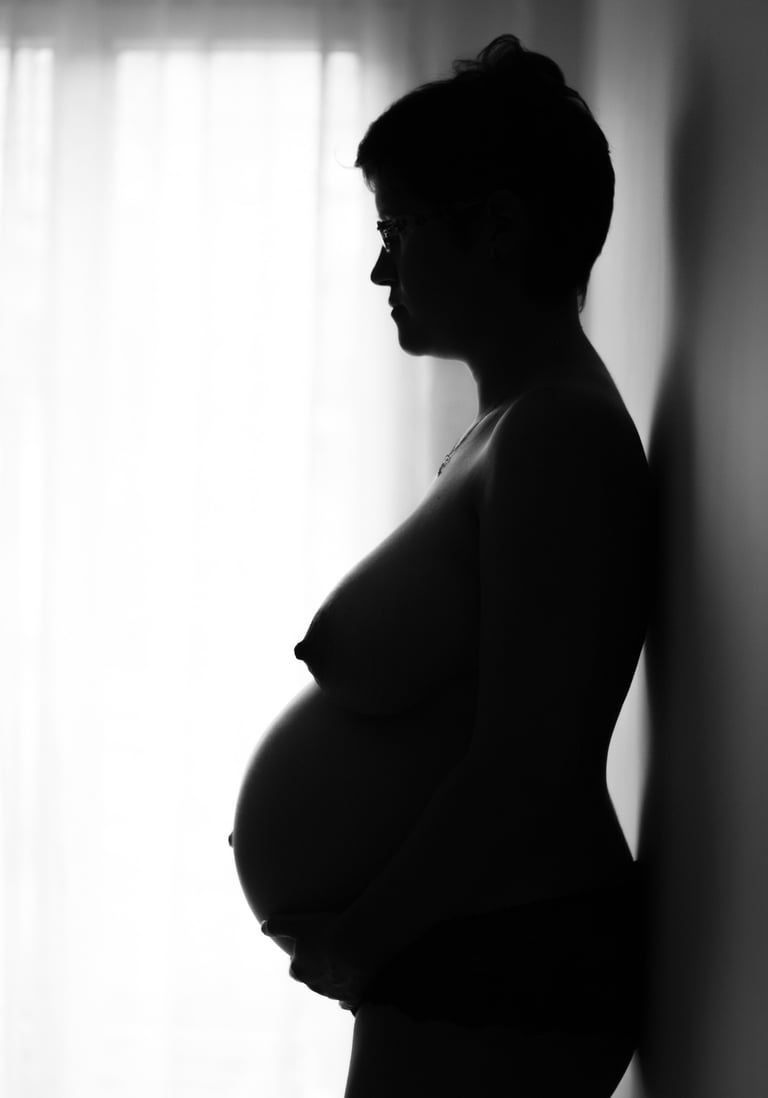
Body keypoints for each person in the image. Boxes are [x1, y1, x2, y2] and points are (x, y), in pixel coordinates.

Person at [257, 33, 651, 1096]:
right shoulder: (512, 426)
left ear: (499, 229)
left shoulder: (556, 437)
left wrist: (362, 940)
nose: (381, 266)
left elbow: (533, 758)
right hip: (473, 952)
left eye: (398, 228)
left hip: (505, 959)